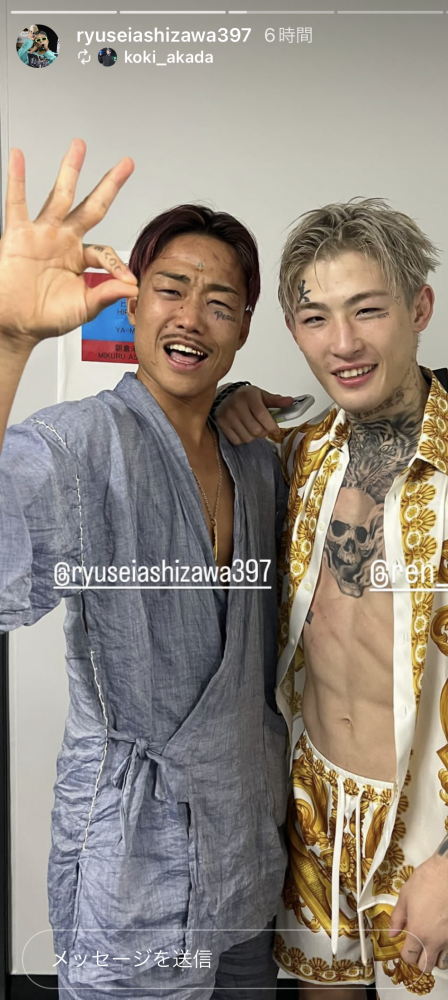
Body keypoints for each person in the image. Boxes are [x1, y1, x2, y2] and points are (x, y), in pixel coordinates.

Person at [214, 198, 448, 998]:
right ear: (293, 328)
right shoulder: (298, 455)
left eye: (367, 309)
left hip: (436, 835)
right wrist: (230, 393)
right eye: (315, 318)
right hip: (311, 813)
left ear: (419, 307)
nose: (342, 343)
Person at [0, 139, 293, 999]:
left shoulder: (258, 458)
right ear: (130, 302)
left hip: (245, 834)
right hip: (133, 851)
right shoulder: (81, 444)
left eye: (220, 303)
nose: (191, 318)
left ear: (244, 329)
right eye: (171, 289)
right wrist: (9, 341)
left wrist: (248, 404)